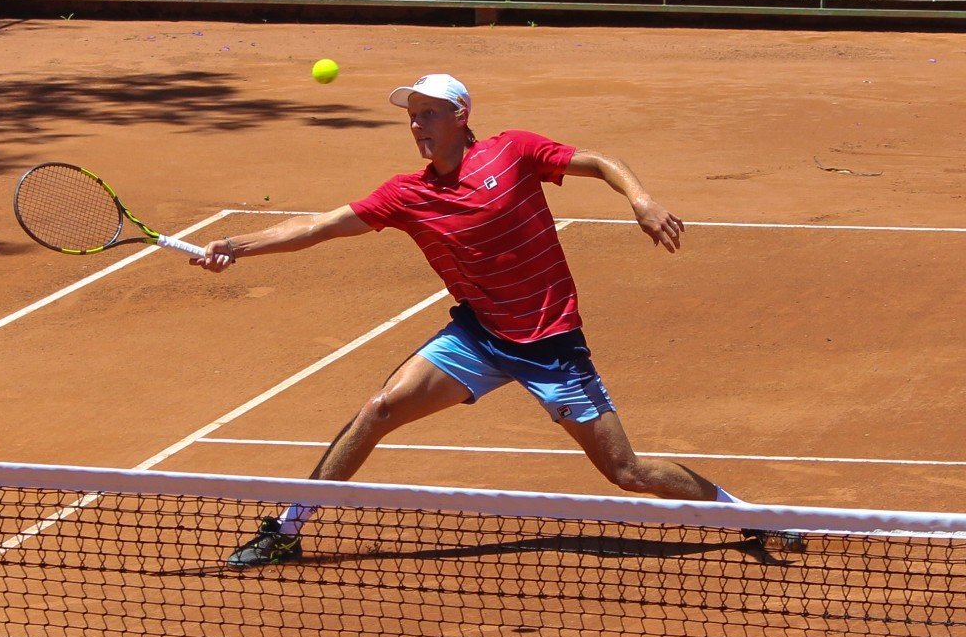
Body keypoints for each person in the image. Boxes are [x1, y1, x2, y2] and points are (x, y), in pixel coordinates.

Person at [192, 72, 788, 567]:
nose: (416, 127)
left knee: (626, 472)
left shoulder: (514, 151)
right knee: (377, 410)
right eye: (412, 117)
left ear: (458, 114)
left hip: (551, 345)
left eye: (426, 114)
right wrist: (234, 245)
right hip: (479, 335)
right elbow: (318, 226)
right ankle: (288, 528)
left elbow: (602, 161)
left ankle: (747, 515)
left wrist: (640, 198)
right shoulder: (407, 195)